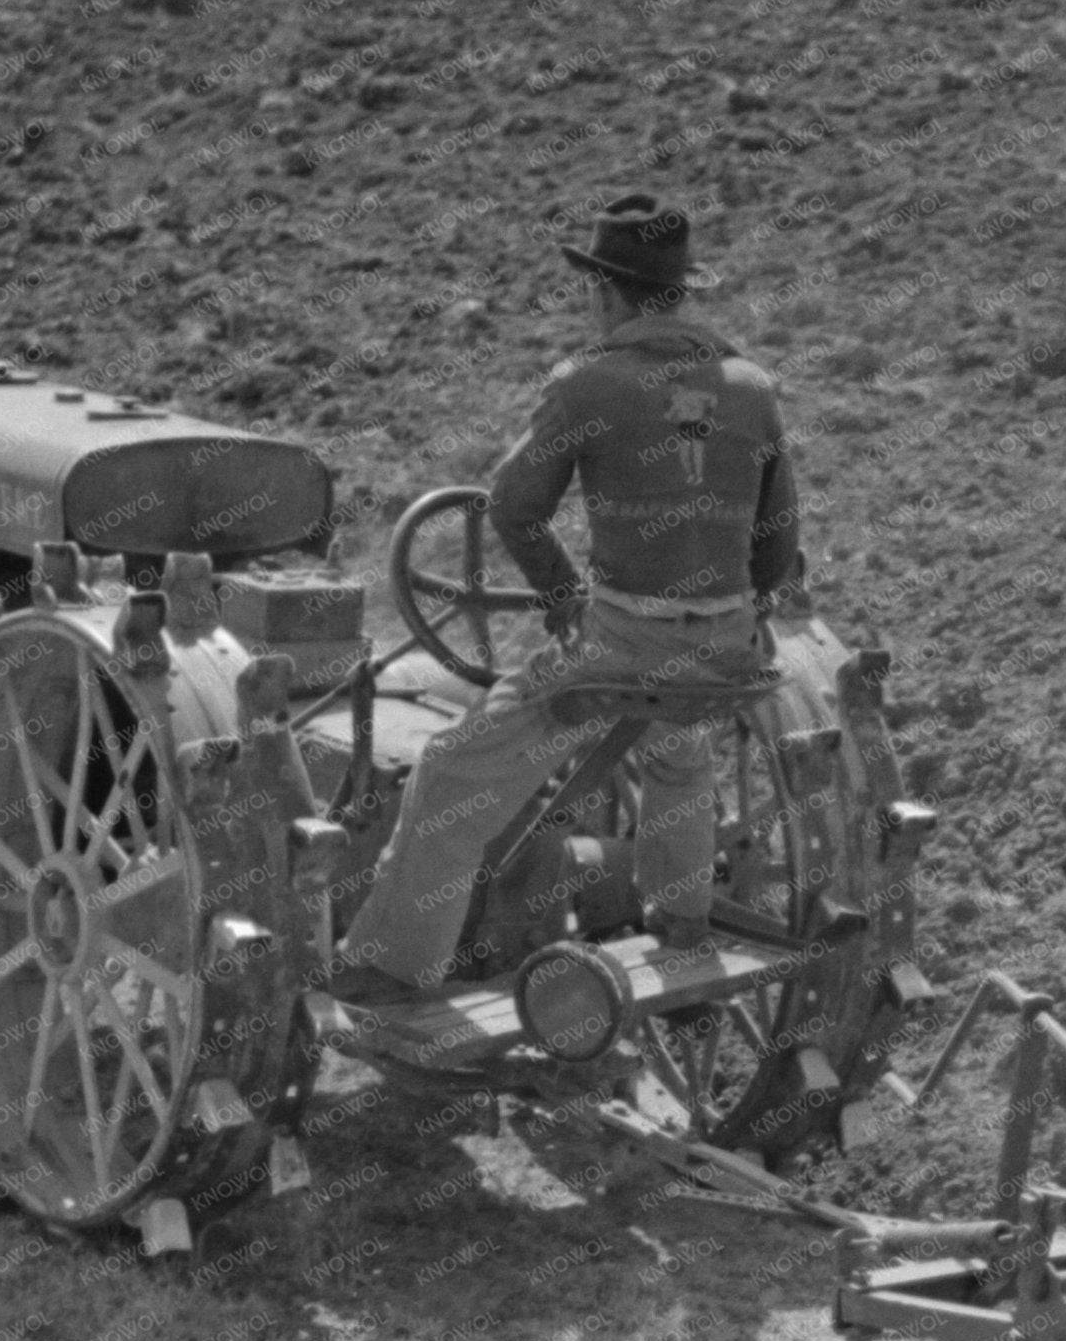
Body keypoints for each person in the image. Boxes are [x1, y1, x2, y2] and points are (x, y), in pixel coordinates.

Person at [328, 194, 805, 1001]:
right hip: (723, 646)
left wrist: (562, 597)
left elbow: (513, 506)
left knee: (449, 774)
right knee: (677, 744)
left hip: (620, 646)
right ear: (680, 290)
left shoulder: (589, 384)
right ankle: (682, 922)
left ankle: (389, 968)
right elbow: (779, 536)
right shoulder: (751, 387)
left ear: (604, 291)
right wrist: (738, 612)